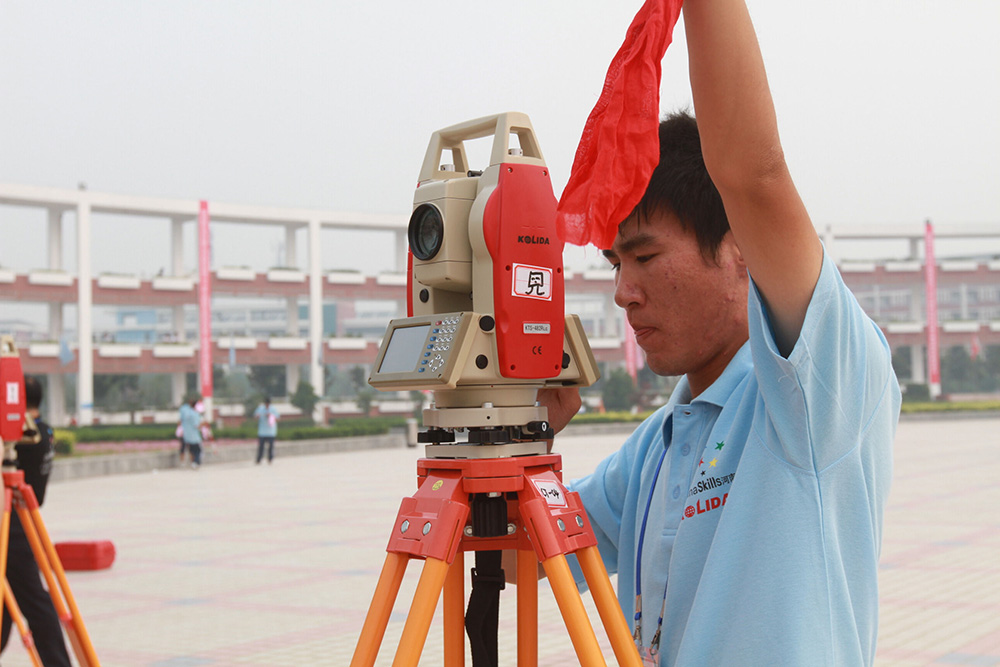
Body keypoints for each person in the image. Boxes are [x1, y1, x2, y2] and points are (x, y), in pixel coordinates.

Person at [538, 2, 901, 665]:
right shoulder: (657, 447)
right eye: (616, 264)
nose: (623, 290)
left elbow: (753, 176)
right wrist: (525, 438)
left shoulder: (817, 391)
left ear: (740, 249)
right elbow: (521, 555)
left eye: (646, 256)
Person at [1, 376, 73, 666]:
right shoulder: (44, 431)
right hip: (23, 520)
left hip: (13, 524)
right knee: (9, 600)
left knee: (33, 601)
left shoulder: (25, 436)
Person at [178, 396, 204, 469]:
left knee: (191, 450)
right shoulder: (195, 414)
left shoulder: (186, 412)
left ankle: (192, 463)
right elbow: (196, 425)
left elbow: (180, 421)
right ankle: (195, 462)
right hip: (194, 436)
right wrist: (203, 425)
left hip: (187, 436)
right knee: (198, 450)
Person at [253, 397, 279, 464]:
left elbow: (278, 418)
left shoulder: (273, 409)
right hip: (262, 431)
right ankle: (259, 459)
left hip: (271, 432)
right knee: (261, 446)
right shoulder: (260, 409)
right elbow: (255, 417)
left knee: (271, 446)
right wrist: (257, 416)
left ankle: (270, 458)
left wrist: (271, 416)